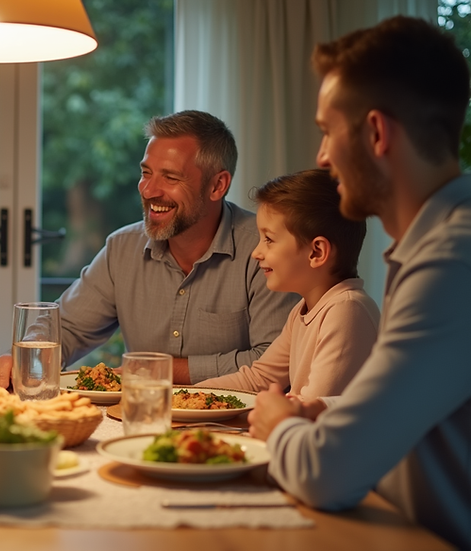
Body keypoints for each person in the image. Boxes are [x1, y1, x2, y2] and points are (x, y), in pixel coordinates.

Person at [248, 16, 471, 548]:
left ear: (375, 133)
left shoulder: (448, 264)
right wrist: (322, 410)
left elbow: (328, 473)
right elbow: (419, 403)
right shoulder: (436, 246)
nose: (322, 157)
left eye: (327, 131)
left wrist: (281, 424)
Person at [31, 110, 298, 385]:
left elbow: (276, 363)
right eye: (146, 173)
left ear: (218, 185)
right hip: (137, 419)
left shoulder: (266, 249)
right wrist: (26, 358)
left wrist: (157, 370)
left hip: (236, 425)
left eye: (170, 178)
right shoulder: (122, 248)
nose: (148, 191)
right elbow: (65, 329)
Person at [196, 169, 378, 398]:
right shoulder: (302, 311)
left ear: (317, 252)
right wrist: (188, 396)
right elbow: (259, 379)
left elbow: (311, 409)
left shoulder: (347, 310)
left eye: (269, 240)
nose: (256, 253)